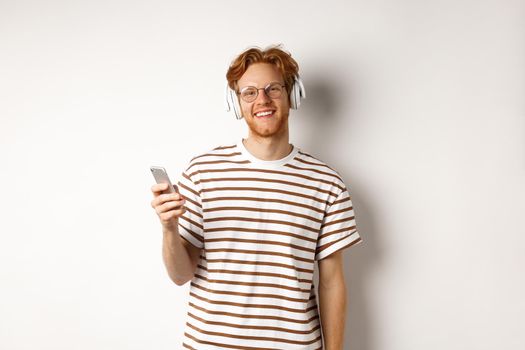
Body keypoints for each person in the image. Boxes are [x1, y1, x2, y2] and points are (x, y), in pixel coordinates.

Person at [150, 44, 363, 350]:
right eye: (249, 92)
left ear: (293, 95)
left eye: (272, 89)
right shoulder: (202, 172)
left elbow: (331, 283)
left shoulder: (326, 183)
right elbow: (181, 275)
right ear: (236, 103)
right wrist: (169, 229)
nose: (261, 100)